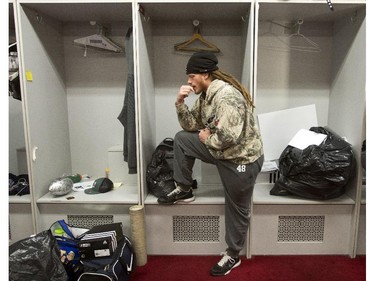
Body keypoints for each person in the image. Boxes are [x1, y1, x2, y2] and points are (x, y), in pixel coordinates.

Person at [157, 51, 264, 276]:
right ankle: (184, 189)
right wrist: (179, 102)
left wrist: (207, 138)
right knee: (182, 139)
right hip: (222, 152)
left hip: (241, 161)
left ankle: (233, 255)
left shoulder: (227, 96)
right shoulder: (207, 95)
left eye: (191, 76)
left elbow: (228, 137)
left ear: (205, 74)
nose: (188, 81)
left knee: (237, 207)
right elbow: (190, 126)